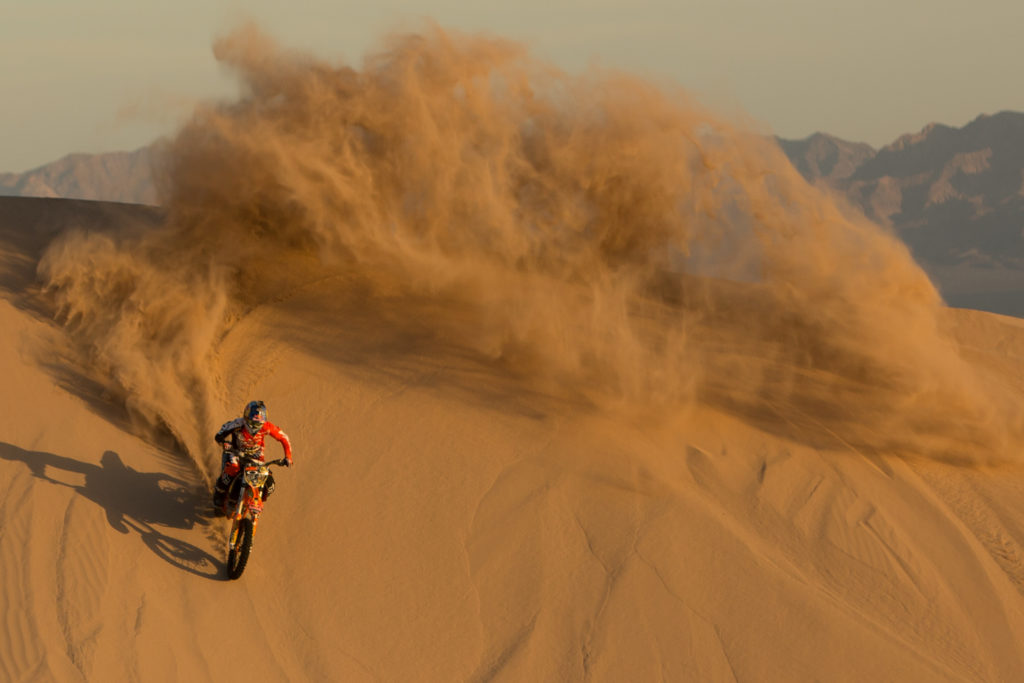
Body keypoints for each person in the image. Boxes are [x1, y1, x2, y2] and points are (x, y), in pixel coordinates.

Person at [211, 400, 293, 514]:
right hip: (236, 453)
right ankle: (218, 497)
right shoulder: (237, 424)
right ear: (246, 418)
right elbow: (219, 434)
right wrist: (224, 442)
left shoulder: (267, 427)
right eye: (252, 423)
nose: (255, 427)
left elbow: (284, 438)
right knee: (232, 471)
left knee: (269, 483)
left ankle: (257, 499)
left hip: (257, 457)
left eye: (259, 424)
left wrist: (288, 456)